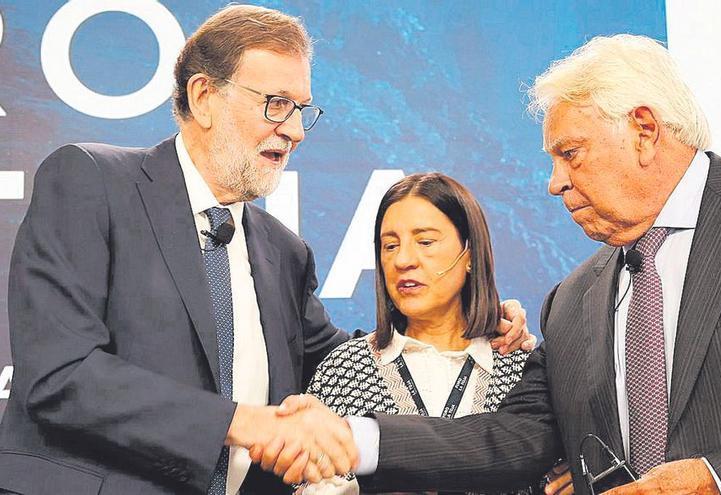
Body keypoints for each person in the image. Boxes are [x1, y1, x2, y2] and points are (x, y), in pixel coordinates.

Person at [265, 34, 721, 494]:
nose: (555, 182)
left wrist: (714, 480)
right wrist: (354, 438)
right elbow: (514, 438)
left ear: (643, 129)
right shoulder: (572, 300)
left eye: (570, 153)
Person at [0, 6, 532, 495]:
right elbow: (59, 373)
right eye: (278, 105)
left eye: (302, 109)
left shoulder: (284, 252)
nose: (296, 130)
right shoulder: (93, 181)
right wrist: (240, 421)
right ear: (205, 96)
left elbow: (353, 364)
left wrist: (475, 321)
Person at [262, 173, 551, 494]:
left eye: (425, 242)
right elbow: (306, 481)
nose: (403, 260)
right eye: (390, 246)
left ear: (469, 253)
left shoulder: (521, 366)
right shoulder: (346, 369)